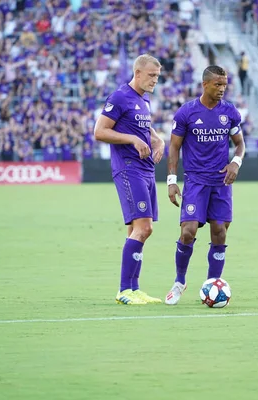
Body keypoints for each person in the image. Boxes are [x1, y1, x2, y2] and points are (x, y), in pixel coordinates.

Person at [164, 65, 246, 305]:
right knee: (188, 232)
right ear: (205, 84)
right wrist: (171, 180)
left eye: (225, 85)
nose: (222, 89)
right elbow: (174, 147)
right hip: (195, 181)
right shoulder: (186, 112)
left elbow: (240, 144)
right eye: (217, 85)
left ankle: (211, 284)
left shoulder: (229, 112)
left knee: (219, 233)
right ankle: (180, 281)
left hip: (221, 182)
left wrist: (235, 163)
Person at [93, 54, 165, 305]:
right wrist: (133, 140)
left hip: (146, 170)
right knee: (145, 228)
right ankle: (124, 290)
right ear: (137, 73)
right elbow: (99, 131)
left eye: (157, 75)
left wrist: (157, 138)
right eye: (151, 75)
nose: (155, 80)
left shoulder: (142, 100)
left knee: (137, 230)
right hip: (128, 168)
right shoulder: (120, 97)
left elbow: (143, 127)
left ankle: (134, 289)